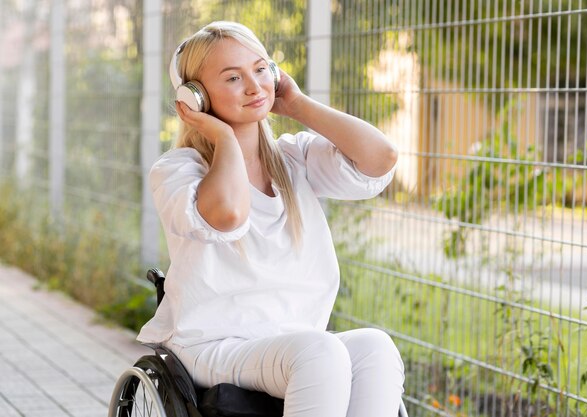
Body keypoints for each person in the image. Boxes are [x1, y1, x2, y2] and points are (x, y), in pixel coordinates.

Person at [137, 20, 405, 417]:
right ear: (195, 97)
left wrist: (297, 105)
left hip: (292, 342)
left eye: (261, 69)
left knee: (375, 347)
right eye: (232, 77)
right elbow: (227, 215)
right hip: (214, 342)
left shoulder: (293, 159)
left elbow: (380, 158)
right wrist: (225, 138)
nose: (254, 86)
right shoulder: (178, 170)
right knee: (321, 351)